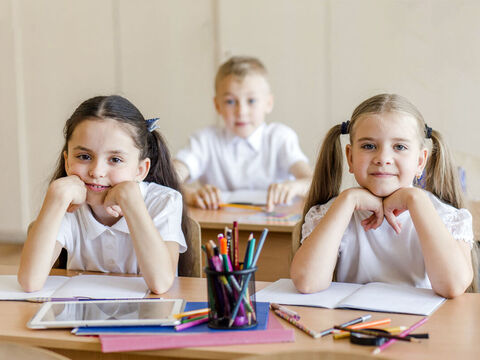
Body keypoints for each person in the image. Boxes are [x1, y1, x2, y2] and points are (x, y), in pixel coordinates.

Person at [291, 93, 476, 298]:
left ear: (420, 161)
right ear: (350, 158)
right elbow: (307, 282)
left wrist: (415, 200)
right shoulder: (333, 213)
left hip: (424, 328)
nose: (383, 158)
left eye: (400, 147)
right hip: (354, 326)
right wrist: (348, 199)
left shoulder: (447, 217)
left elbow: (453, 286)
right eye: (369, 146)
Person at [18, 95, 187, 294]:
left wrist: (132, 202)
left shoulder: (164, 201)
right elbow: (30, 282)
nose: (96, 171)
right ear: (67, 161)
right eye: (84, 157)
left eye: (115, 159)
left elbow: (161, 283)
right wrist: (56, 196)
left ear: (141, 170)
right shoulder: (67, 205)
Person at [174, 56, 312, 211]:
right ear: (217, 105)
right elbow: (169, 177)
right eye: (230, 102)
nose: (241, 112)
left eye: (251, 101)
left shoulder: (280, 138)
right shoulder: (204, 140)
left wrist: (294, 187)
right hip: (219, 227)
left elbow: (312, 181)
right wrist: (190, 194)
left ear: (268, 103)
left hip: (277, 226)